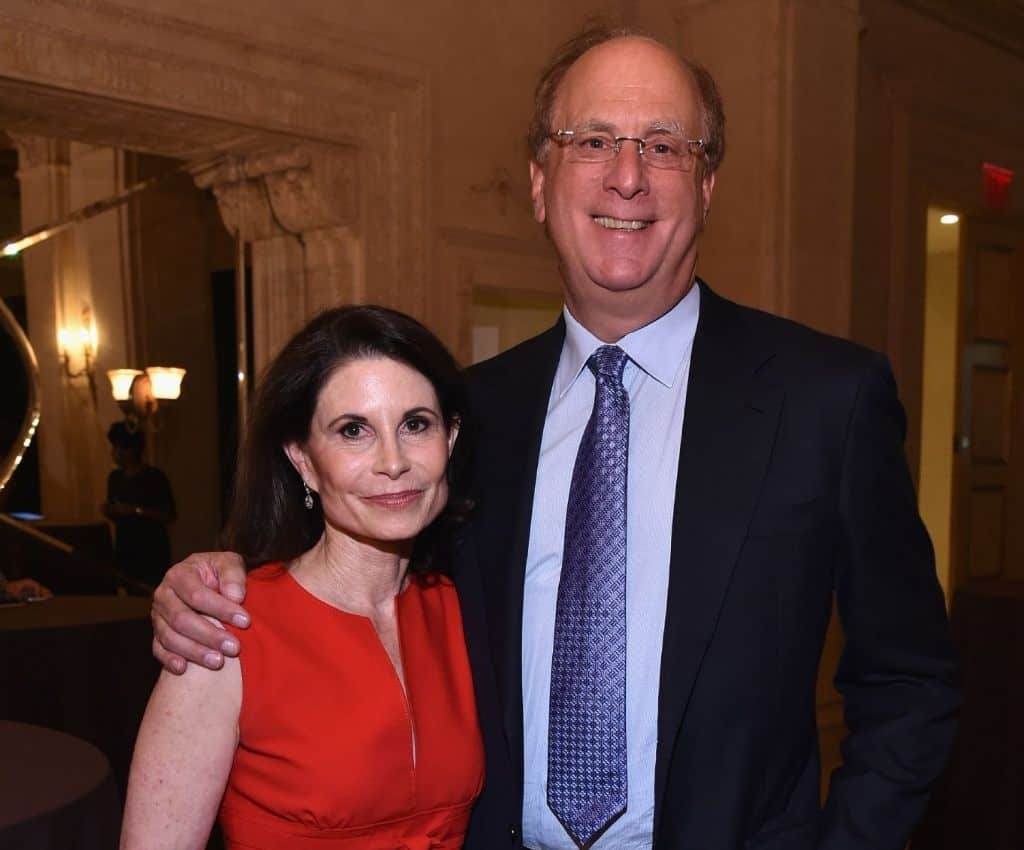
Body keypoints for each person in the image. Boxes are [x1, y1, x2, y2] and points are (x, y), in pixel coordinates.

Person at [148, 26, 959, 850]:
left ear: (708, 184)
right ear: (541, 182)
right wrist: (212, 583)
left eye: (667, 146)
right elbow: (362, 573)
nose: (629, 175)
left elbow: (909, 680)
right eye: (593, 141)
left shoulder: (826, 399)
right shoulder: (471, 416)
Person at [121, 306, 484, 849]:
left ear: (449, 440)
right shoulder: (227, 630)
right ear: (304, 460)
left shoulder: (466, 609)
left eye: (415, 424)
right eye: (353, 430)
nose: (393, 462)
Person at [101, 421, 176, 587]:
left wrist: (135, 511)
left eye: (121, 448)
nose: (115, 453)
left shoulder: (154, 477)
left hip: (151, 550)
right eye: (114, 448)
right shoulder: (115, 478)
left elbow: (169, 514)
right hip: (125, 548)